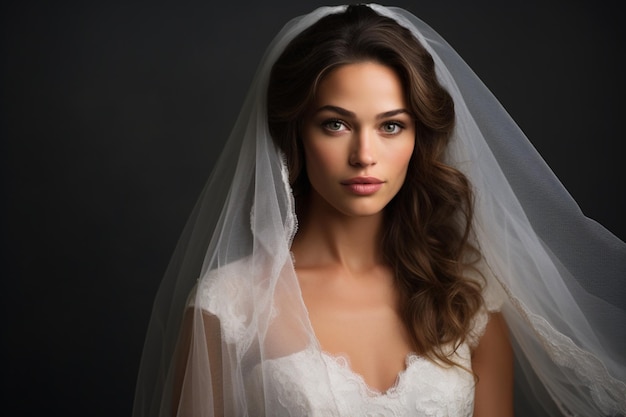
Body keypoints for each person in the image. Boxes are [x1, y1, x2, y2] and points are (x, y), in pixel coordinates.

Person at [132, 4, 626, 416]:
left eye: (391, 126)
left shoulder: (469, 304)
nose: (364, 155)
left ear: (419, 137)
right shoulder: (230, 307)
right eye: (335, 124)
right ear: (295, 134)